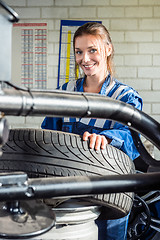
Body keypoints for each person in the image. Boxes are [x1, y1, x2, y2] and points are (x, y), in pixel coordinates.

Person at [41, 22, 143, 240]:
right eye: (79, 52)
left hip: (111, 190)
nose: (84, 59)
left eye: (92, 50)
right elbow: (47, 138)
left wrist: (106, 139)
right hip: (67, 192)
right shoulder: (65, 93)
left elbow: (131, 141)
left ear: (108, 49)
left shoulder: (124, 97)